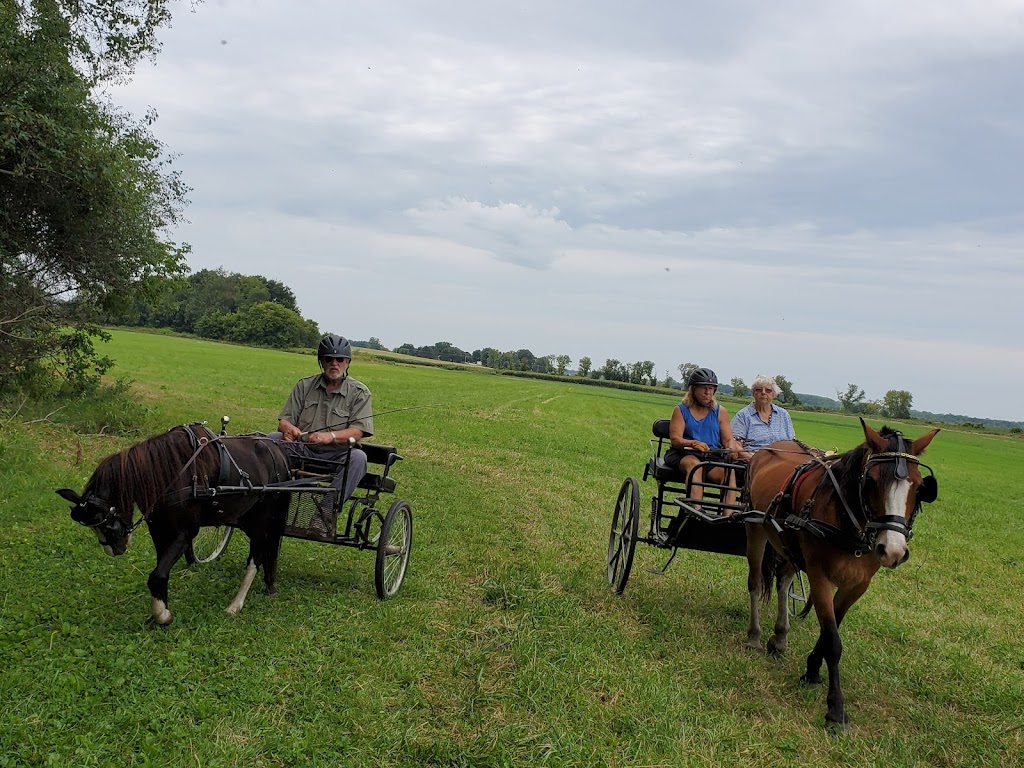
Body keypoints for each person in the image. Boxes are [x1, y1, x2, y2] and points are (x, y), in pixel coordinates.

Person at [271, 334, 374, 531]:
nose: (334, 363)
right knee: (270, 440)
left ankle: (325, 513)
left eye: (339, 359)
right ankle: (264, 500)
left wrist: (331, 437)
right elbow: (284, 421)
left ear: (347, 362)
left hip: (336, 455)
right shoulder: (304, 386)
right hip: (301, 449)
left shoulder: (360, 392)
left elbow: (358, 431)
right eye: (328, 359)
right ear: (321, 361)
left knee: (359, 458)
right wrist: (289, 430)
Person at [663, 367, 742, 513]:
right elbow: (675, 440)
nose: (708, 393)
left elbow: (728, 439)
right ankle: (696, 511)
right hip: (683, 453)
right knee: (695, 465)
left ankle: (727, 517)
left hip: (711, 456)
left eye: (711, 389)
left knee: (729, 473)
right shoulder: (680, 410)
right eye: (704, 388)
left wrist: (731, 448)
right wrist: (693, 443)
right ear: (693, 389)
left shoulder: (720, 411)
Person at [731, 374, 796, 458]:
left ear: (774, 394)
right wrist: (752, 461)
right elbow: (735, 444)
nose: (763, 392)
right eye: (759, 390)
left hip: (782, 461)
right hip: (754, 463)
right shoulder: (743, 415)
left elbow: (792, 443)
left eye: (768, 390)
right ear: (754, 393)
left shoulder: (783, 414)